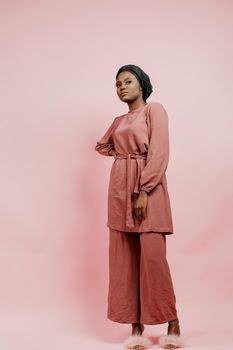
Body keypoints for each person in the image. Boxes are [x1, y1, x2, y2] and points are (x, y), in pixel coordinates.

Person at [95, 64, 184, 350]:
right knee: (125, 260)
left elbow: (159, 151)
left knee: (153, 258)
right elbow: (102, 145)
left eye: (127, 81)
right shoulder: (119, 119)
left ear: (141, 83)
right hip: (119, 190)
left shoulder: (154, 110)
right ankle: (136, 326)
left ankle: (172, 321)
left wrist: (144, 188)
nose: (121, 86)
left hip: (149, 188)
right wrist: (124, 159)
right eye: (117, 83)